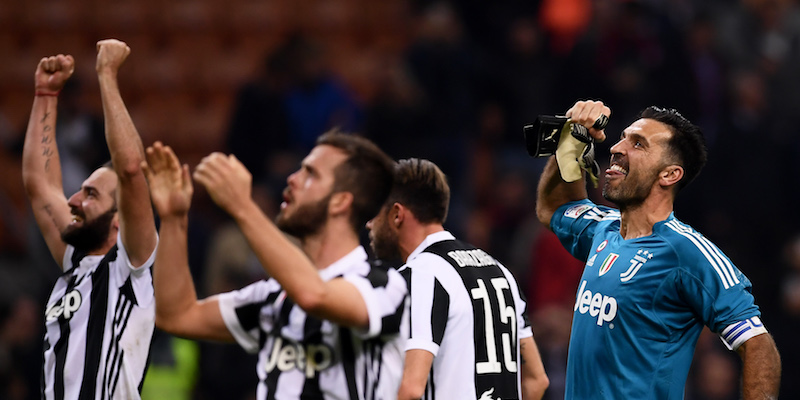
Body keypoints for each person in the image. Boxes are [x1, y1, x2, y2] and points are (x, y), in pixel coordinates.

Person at [534, 100, 781, 399]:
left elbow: (757, 343)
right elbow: (556, 207)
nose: (617, 147)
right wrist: (572, 139)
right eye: (623, 137)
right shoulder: (603, 229)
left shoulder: (686, 252)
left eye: (637, 144)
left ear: (669, 175)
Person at [142, 131, 407, 399]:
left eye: (310, 174)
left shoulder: (384, 286)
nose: (292, 178)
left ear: (340, 201)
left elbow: (314, 295)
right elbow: (177, 315)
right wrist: (173, 218)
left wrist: (242, 206)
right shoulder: (274, 298)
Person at [21, 39, 158, 399]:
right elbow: (40, 184)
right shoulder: (74, 261)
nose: (74, 200)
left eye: (91, 195)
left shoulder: (131, 268)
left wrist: (106, 74)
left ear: (119, 219)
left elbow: (130, 168)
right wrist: (45, 95)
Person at [367, 158, 549, 400]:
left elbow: (411, 390)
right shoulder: (500, 271)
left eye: (375, 212)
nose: (369, 224)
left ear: (397, 214)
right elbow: (537, 381)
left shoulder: (419, 276)